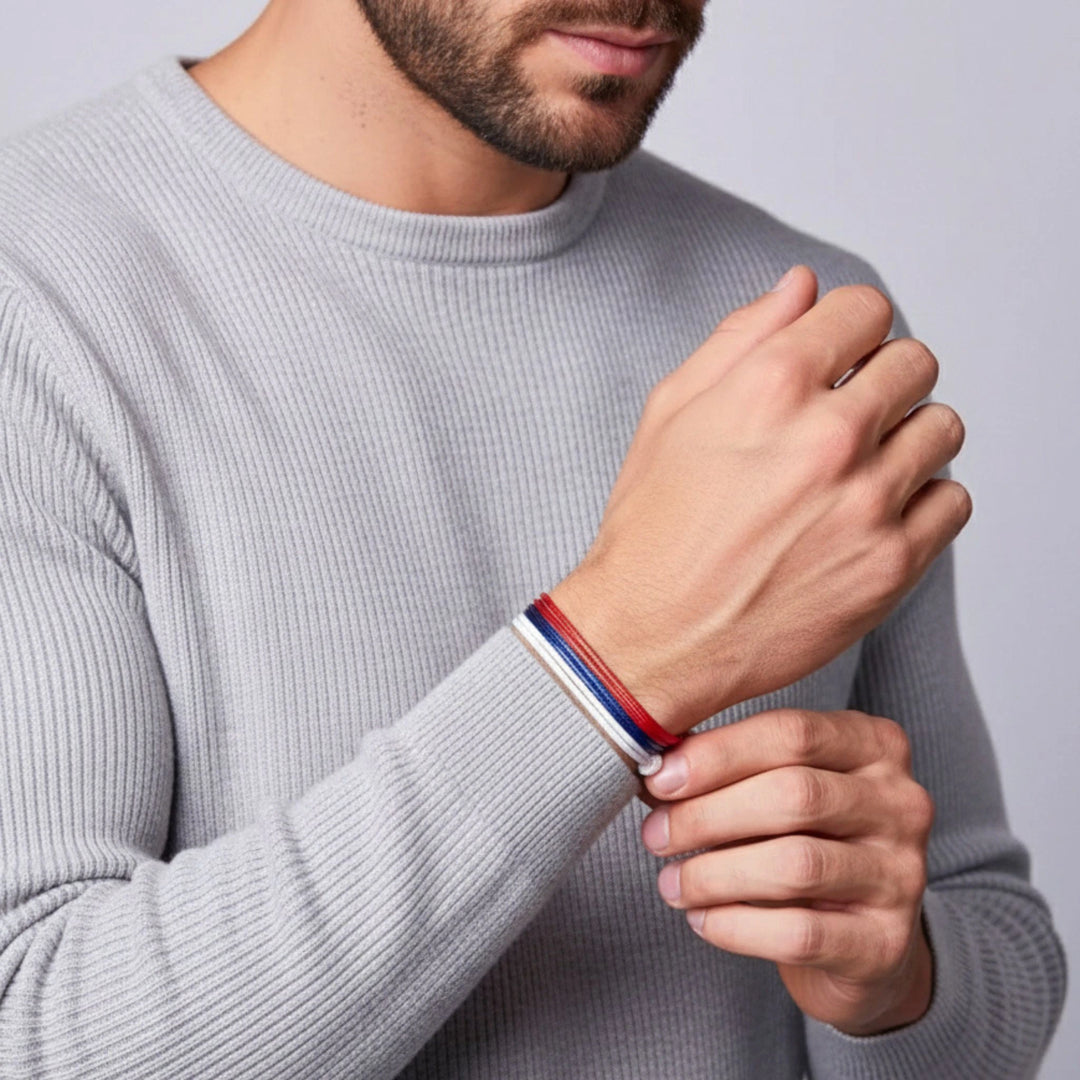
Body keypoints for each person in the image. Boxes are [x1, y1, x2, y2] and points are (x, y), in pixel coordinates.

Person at [0, 0, 1065, 1076]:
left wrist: (891, 985)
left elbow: (994, 952)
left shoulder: (801, 335)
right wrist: (608, 663)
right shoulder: (37, 297)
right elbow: (33, 1031)